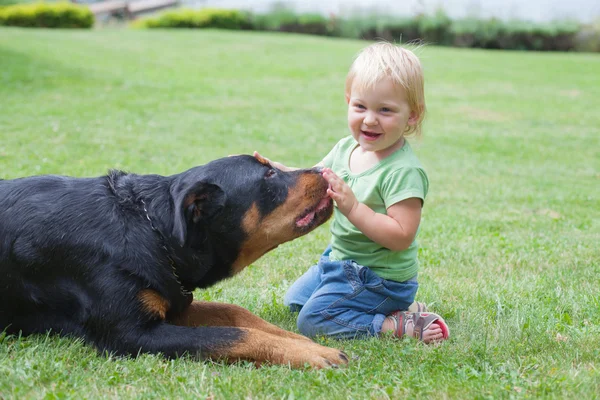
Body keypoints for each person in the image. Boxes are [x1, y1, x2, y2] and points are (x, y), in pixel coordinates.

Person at [255, 41, 449, 343]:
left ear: (412, 115)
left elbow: (401, 237)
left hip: (379, 279)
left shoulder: (403, 172)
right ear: (348, 101)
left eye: (385, 110)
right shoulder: (347, 147)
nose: (370, 119)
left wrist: (353, 207)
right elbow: (315, 178)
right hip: (339, 263)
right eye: (361, 106)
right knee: (294, 302)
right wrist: (282, 172)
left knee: (313, 320)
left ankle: (397, 325)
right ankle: (393, 310)